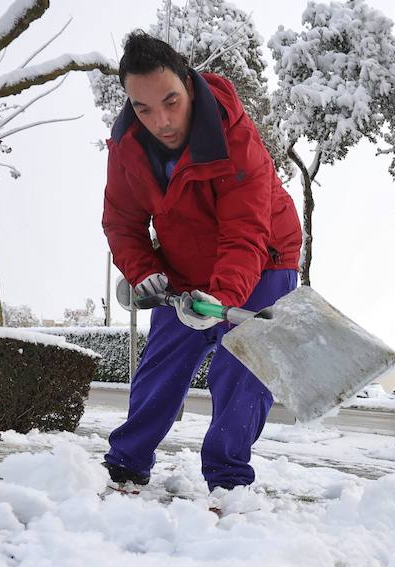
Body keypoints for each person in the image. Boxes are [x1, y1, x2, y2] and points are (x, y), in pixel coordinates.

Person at [101, 31, 301, 492]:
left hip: (263, 258)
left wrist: (222, 297)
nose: (162, 121)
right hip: (184, 261)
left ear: (188, 84)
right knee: (162, 363)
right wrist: (143, 271)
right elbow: (122, 222)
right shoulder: (127, 147)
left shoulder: (236, 139)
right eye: (144, 108)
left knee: (242, 368)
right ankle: (126, 465)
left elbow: (246, 232)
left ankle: (228, 481)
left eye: (170, 101)